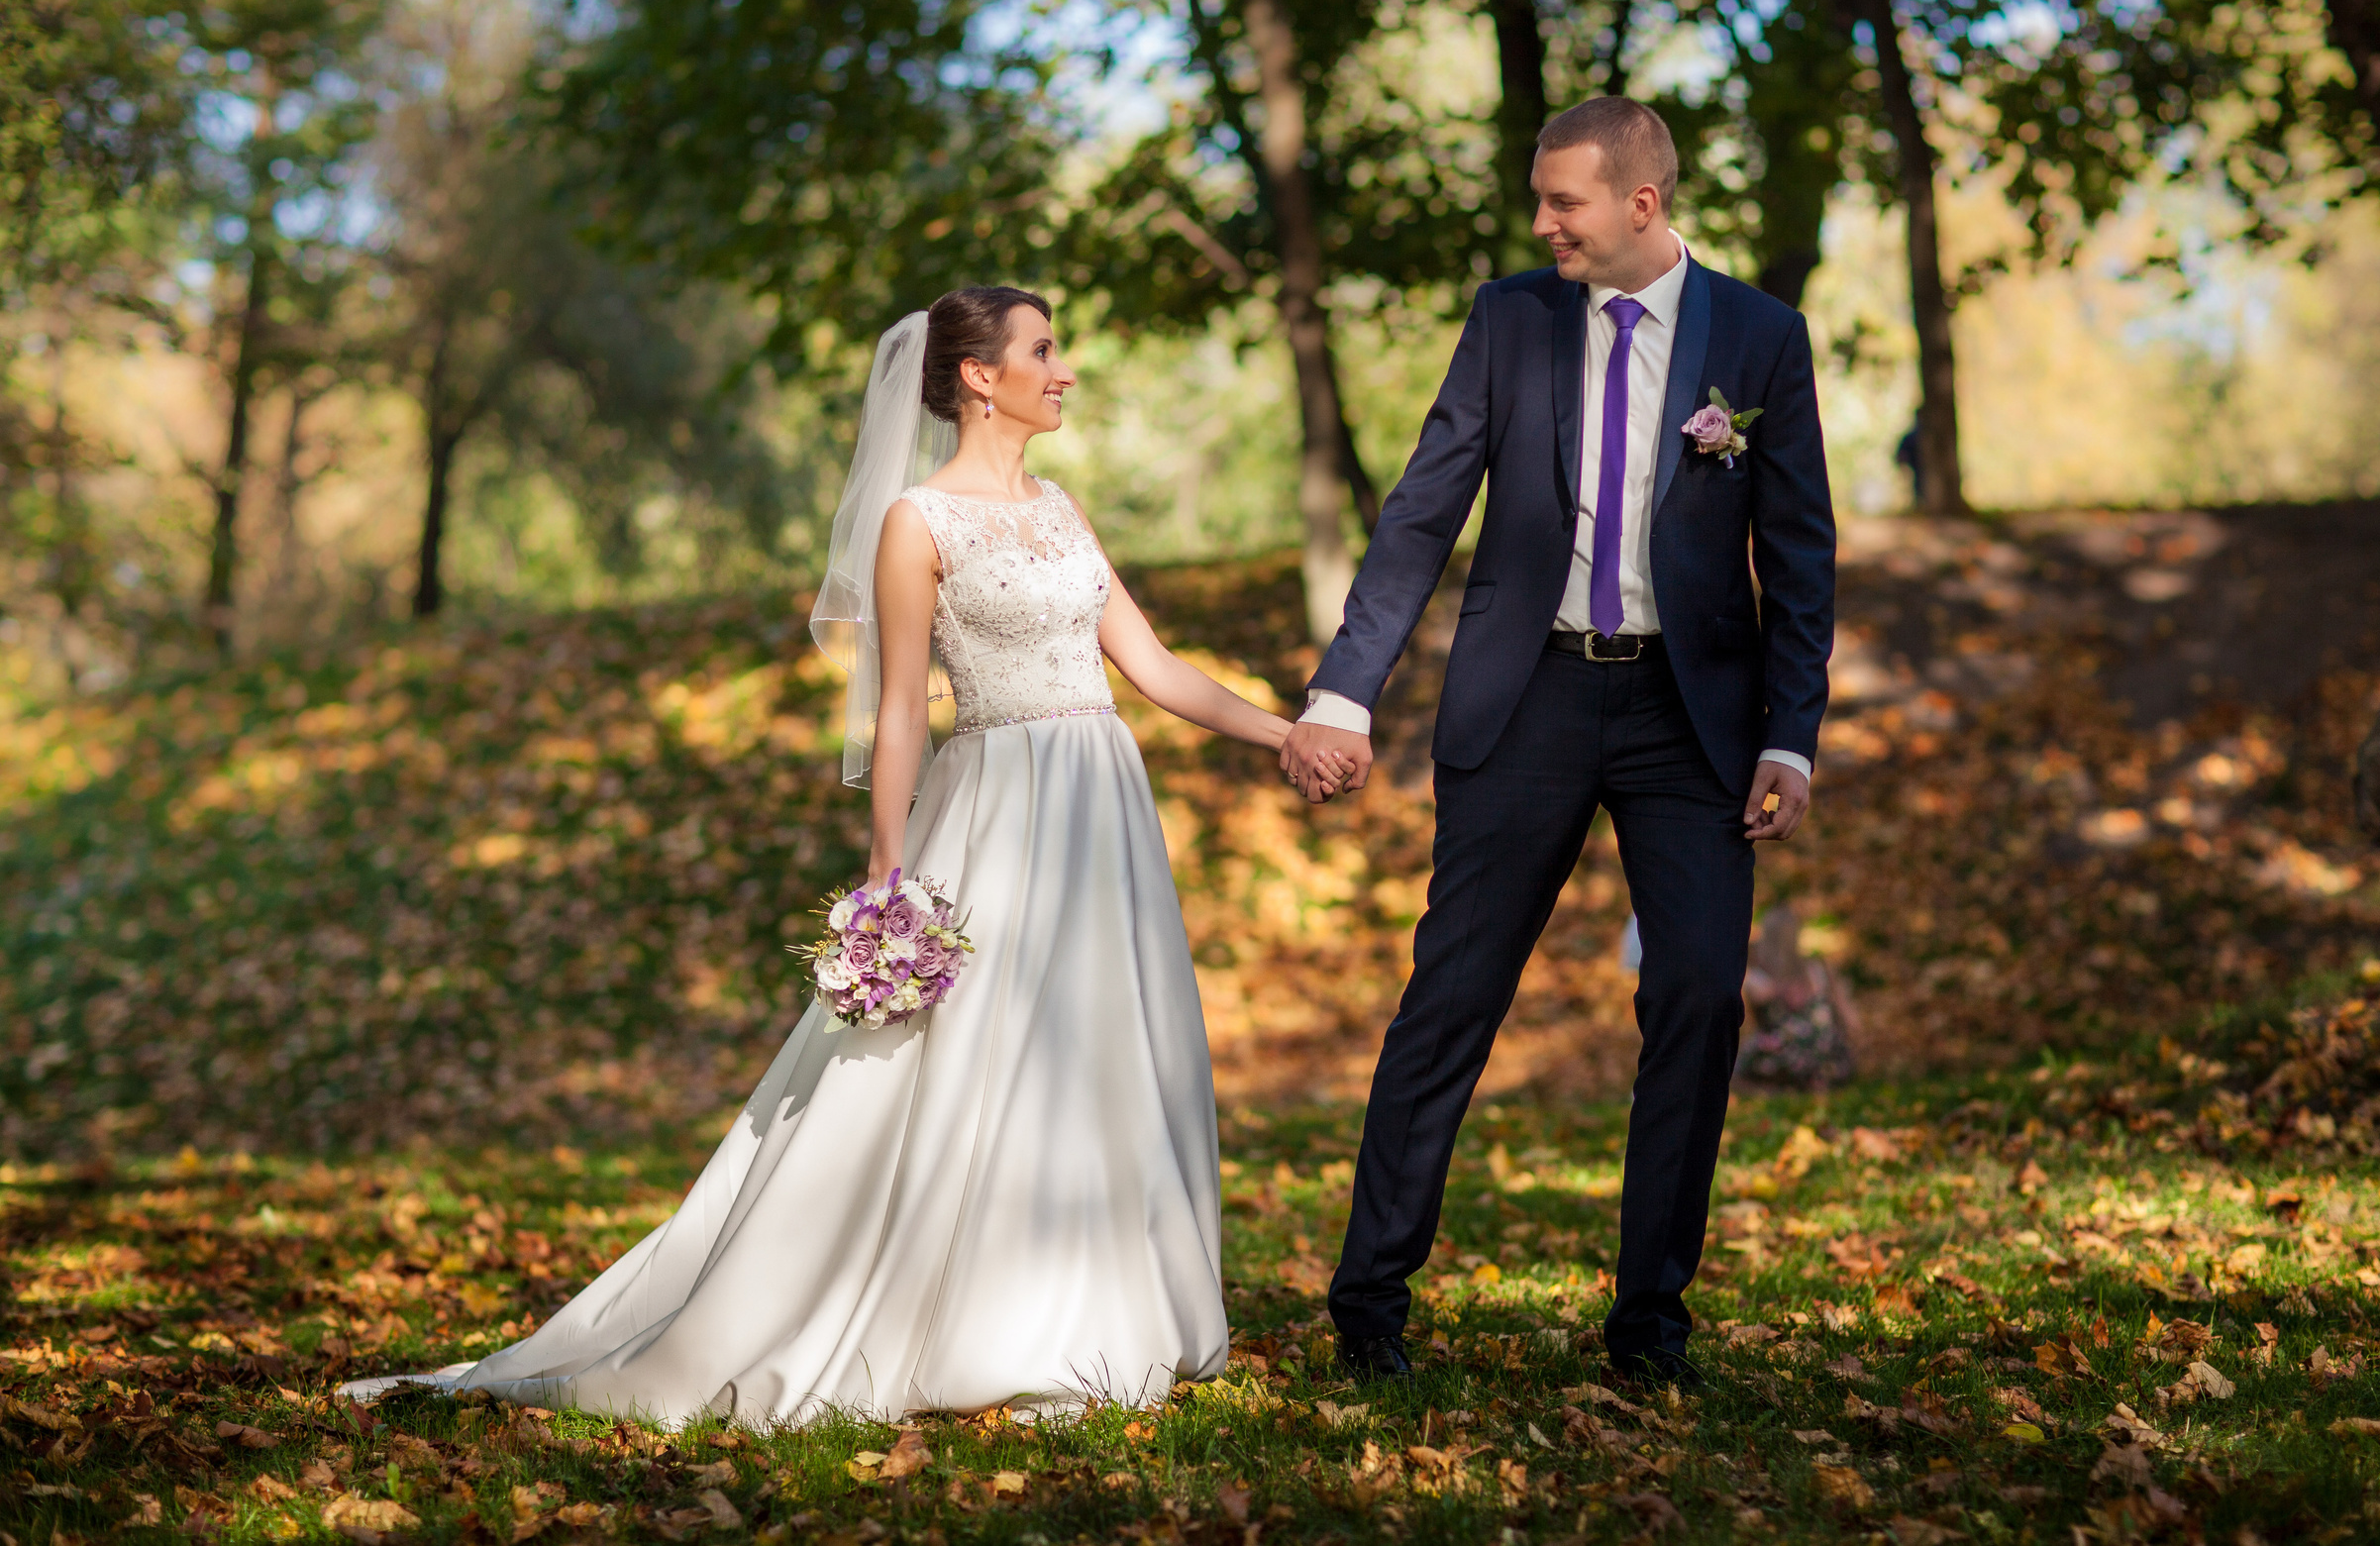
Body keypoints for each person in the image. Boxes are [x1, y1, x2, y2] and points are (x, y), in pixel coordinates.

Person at [347, 287, 1336, 1424]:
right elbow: (903, 710)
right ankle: (970, 1317)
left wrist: (1289, 731)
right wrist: (887, 876)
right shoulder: (917, 522)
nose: (1063, 372)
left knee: (1102, 1040)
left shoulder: (1062, 511)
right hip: (999, 807)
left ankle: (1106, 1306)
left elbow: (1153, 668)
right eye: (1044, 351)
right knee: (970, 1058)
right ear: (979, 374)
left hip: (1102, 808)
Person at [1282, 97, 1836, 1390]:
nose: (1544, 224)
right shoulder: (1511, 318)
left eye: (1566, 202)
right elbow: (1423, 507)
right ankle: (1369, 1303)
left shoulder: (1759, 337)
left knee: (1698, 995)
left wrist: (1792, 737)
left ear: (1642, 203)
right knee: (1454, 996)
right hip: (1523, 697)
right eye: (1541, 201)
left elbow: (1800, 553)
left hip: (1688, 719)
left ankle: (1651, 1325)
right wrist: (1345, 688)